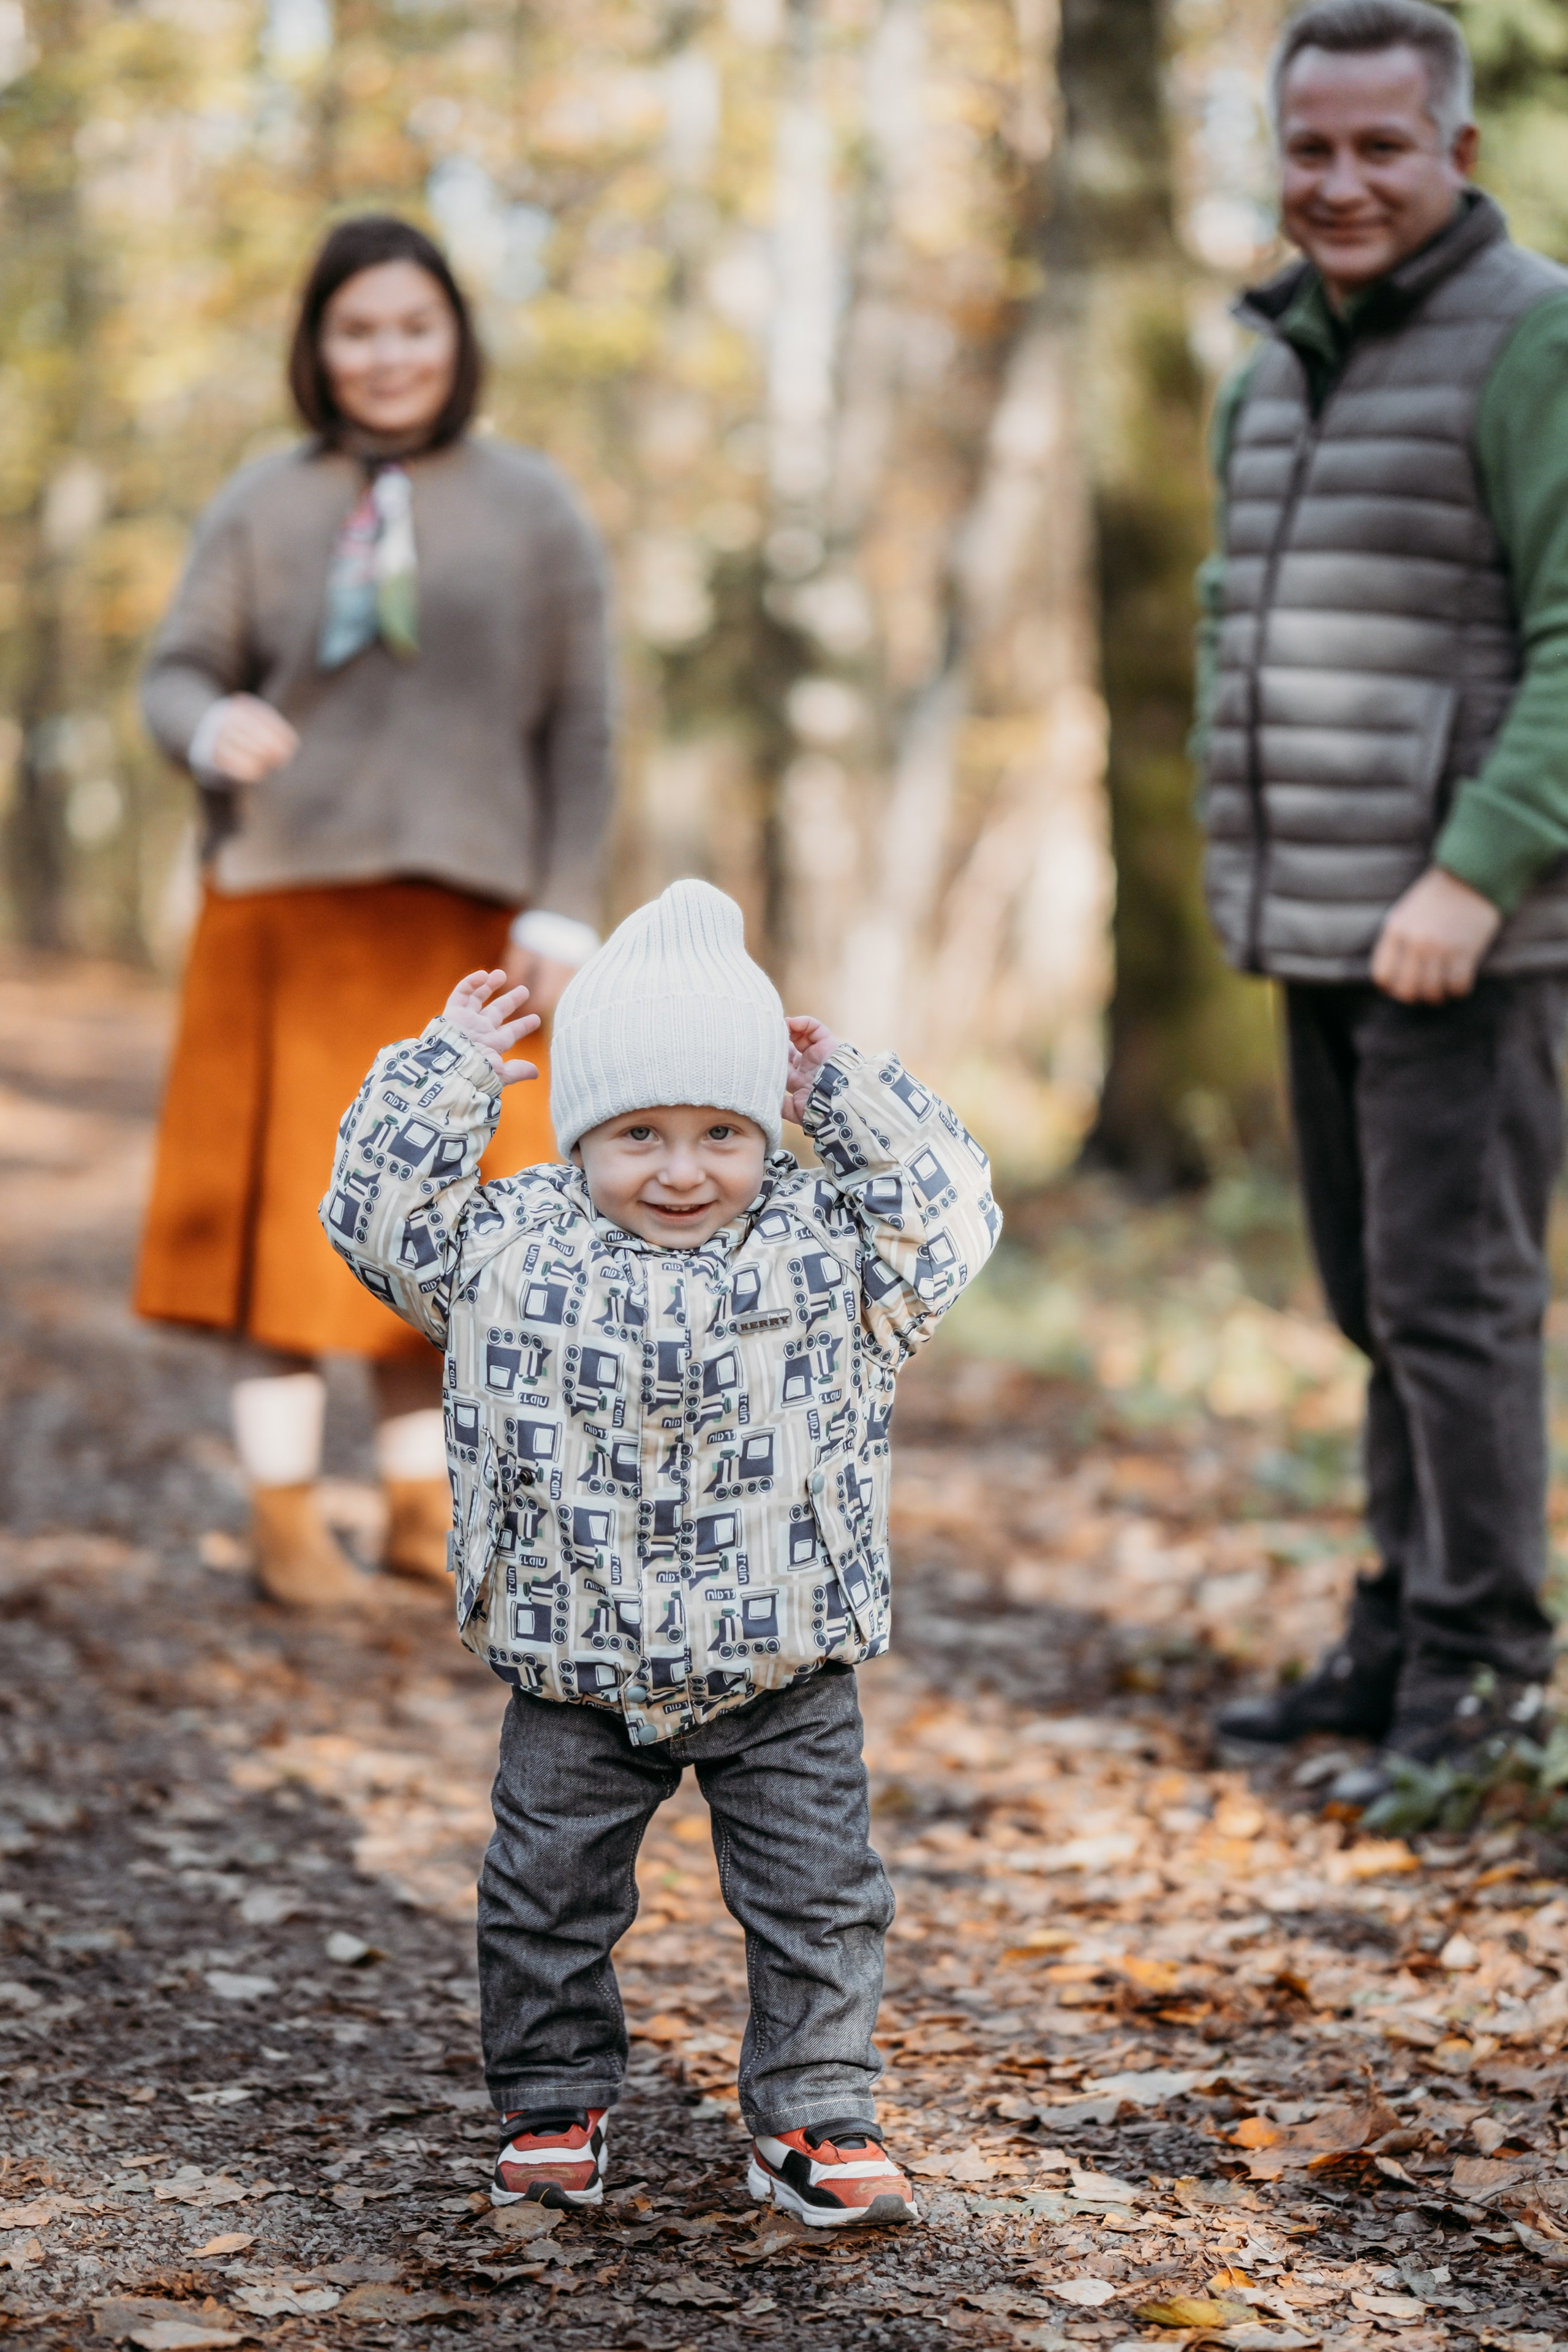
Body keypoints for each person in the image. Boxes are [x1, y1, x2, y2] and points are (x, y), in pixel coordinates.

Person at [318, 878, 1000, 2222]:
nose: (680, 1170)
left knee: (820, 1903)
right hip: (574, 1661)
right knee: (545, 1897)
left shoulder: (826, 1252)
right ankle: (551, 2099)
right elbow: (375, 1218)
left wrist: (843, 1096)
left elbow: (952, 1216)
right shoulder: (505, 1249)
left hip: (784, 1663)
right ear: (578, 1129)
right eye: (637, 1132)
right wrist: (446, 1076)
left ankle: (813, 2117)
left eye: (720, 1132)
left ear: (764, 1132)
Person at [135, 214, 612, 1608]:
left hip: (464, 930)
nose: (387, 355)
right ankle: (286, 1523)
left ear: (455, 336)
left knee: (446, 1221)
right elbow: (173, 671)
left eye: (414, 325)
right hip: (279, 907)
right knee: (285, 1224)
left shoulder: (534, 506)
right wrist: (207, 721)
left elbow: (584, 724)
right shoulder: (262, 503)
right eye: (358, 330)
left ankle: (419, 1512)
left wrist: (569, 904)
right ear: (318, 346)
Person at [1200, 0, 1568, 1803]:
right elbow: (1234, 626)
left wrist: (1476, 869)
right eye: (1310, 148)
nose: (1338, 183)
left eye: (1379, 147)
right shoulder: (1269, 363)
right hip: (1323, 916)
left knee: (1458, 1300)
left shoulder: (1538, 337)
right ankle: (1403, 1621)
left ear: (1459, 154)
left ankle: (1485, 1682)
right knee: (1377, 1298)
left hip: (1466, 931)